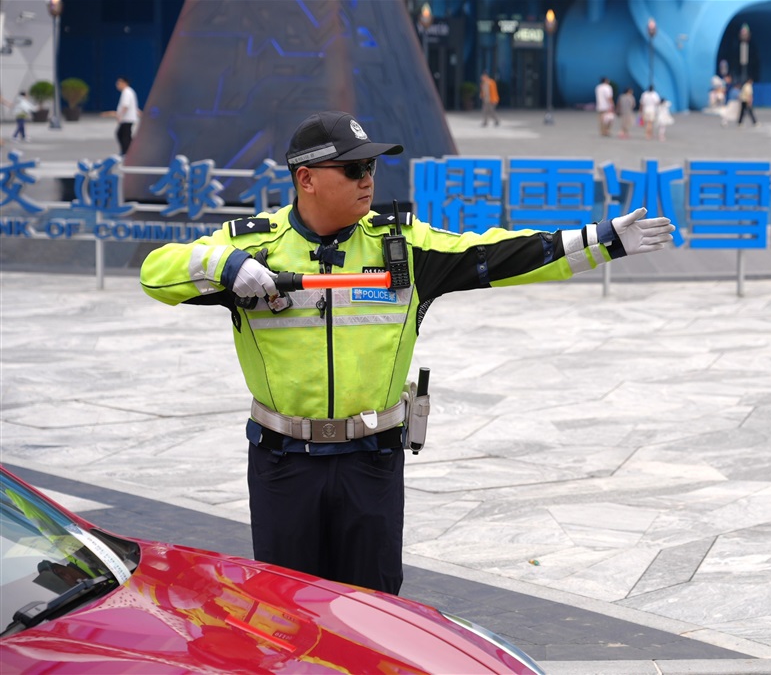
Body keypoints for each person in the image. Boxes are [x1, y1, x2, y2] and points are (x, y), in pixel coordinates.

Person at [138, 110, 675, 595]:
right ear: (306, 179)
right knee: (285, 612)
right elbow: (154, 273)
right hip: (283, 466)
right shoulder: (251, 248)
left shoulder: (404, 247)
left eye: (371, 167)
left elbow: (495, 254)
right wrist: (223, 266)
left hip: (370, 463)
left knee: (374, 615)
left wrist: (603, 240)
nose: (367, 179)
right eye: (353, 169)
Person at [102, 77, 139, 155]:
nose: (117, 85)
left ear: (124, 83)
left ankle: (126, 152)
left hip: (127, 118)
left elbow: (125, 106)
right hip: (128, 118)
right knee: (125, 135)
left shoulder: (126, 92)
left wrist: (120, 116)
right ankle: (130, 151)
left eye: (119, 83)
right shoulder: (129, 91)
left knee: (123, 135)